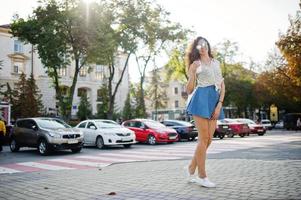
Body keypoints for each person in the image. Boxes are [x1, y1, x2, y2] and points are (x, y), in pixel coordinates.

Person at [184, 36, 225, 188]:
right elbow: (189, 90)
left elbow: (221, 84)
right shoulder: (196, 64)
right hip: (200, 99)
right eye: (198, 45)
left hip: (214, 101)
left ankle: (190, 168)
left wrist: (220, 104)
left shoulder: (216, 63)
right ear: (196, 49)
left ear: (207, 45)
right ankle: (202, 176)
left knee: (208, 140)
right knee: (203, 139)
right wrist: (193, 72)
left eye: (204, 43)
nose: (202, 47)